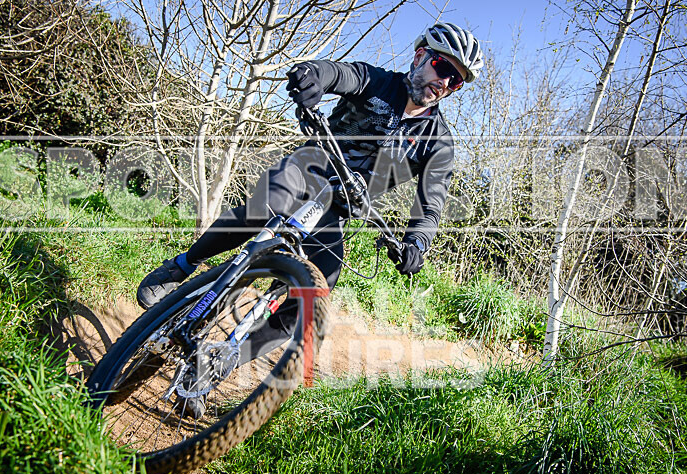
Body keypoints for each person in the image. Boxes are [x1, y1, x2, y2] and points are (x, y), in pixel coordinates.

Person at [137, 22, 483, 362]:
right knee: (264, 208)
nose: (445, 82)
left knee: (316, 293)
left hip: (336, 208)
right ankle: (181, 266)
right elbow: (334, 73)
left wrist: (417, 244)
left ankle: (222, 362)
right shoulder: (377, 82)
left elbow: (431, 203)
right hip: (307, 170)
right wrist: (310, 77)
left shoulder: (437, 141)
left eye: (456, 80)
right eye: (441, 67)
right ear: (420, 55)